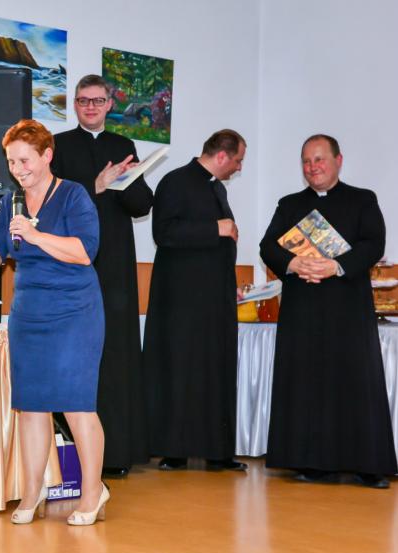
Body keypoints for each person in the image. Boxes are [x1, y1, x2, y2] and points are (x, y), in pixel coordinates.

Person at [0, 119, 109, 526]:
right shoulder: (11, 203)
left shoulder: (73, 195)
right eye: (11, 162)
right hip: (29, 312)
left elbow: (84, 251)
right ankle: (32, 491)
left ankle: (93, 492)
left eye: (24, 160)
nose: (17, 170)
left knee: (76, 403)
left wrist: (35, 237)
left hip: (74, 311)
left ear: (47, 155)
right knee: (31, 406)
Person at [259, 134, 396, 489]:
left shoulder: (363, 200)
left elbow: (373, 243)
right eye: (306, 161)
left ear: (338, 160)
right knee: (306, 384)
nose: (312, 167)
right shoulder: (289, 204)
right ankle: (311, 462)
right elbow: (267, 246)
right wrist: (293, 264)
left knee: (356, 382)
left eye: (319, 159)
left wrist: (335, 266)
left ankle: (367, 466)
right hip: (302, 311)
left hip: (348, 310)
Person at [51, 74, 154, 477]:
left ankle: (117, 453)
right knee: (76, 354)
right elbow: (50, 203)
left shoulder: (122, 145)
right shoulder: (58, 146)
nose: (90, 107)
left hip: (116, 265)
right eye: (83, 100)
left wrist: (129, 180)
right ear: (75, 104)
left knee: (116, 352)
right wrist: (96, 184)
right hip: (73, 262)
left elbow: (141, 206)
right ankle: (74, 457)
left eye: (97, 100)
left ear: (110, 104)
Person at [142, 129, 247, 472]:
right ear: (222, 156)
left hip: (215, 300)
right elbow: (164, 233)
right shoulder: (175, 182)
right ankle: (175, 451)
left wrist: (230, 281)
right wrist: (216, 228)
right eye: (237, 160)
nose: (239, 167)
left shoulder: (217, 188)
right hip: (182, 301)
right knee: (181, 371)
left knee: (215, 372)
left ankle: (217, 452)